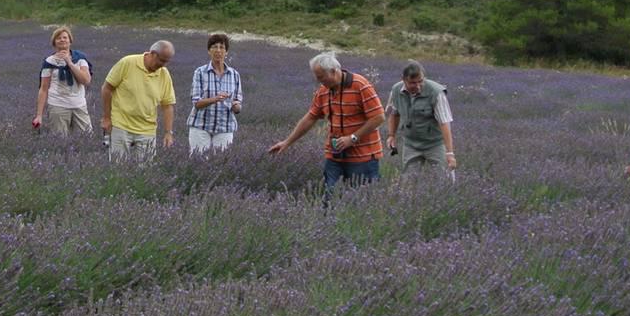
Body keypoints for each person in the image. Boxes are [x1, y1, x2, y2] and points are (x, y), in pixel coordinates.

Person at [270, 52, 385, 195]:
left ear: (333, 71)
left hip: (363, 157)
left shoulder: (360, 85)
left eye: (321, 77)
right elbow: (310, 118)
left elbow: (378, 117)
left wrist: (352, 138)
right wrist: (287, 142)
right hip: (335, 155)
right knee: (329, 196)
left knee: (362, 200)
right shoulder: (323, 91)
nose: (319, 81)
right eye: (317, 78)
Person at [101, 40, 177, 159]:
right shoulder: (128, 63)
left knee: (145, 173)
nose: (163, 65)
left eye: (166, 62)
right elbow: (107, 89)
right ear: (152, 54)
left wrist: (168, 132)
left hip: (147, 130)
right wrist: (106, 118)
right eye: (161, 60)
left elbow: (167, 106)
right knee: (118, 169)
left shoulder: (164, 74)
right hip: (121, 125)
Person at [385, 60, 456, 173]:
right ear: (403, 79)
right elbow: (394, 114)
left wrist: (450, 153)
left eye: (421, 81)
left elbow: (444, 123)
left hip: (435, 144)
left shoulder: (436, 92)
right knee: (408, 182)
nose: (418, 86)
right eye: (413, 83)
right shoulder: (396, 90)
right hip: (411, 144)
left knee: (445, 179)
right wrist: (391, 135)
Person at [33, 26, 93, 136]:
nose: (62, 40)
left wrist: (69, 63)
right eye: (58, 38)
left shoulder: (80, 58)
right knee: (59, 140)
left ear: (70, 41)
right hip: (57, 106)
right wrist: (39, 115)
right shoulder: (49, 62)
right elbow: (43, 89)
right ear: (54, 42)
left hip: (79, 105)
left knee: (86, 137)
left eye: (65, 37)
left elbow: (86, 80)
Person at [188, 33, 243, 154]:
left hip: (225, 127)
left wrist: (236, 107)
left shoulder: (234, 75)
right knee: (198, 163)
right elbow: (196, 103)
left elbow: (238, 102)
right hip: (201, 126)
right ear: (209, 51)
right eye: (214, 47)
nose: (218, 50)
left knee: (220, 164)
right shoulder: (200, 72)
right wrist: (215, 99)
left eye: (222, 47)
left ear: (226, 52)